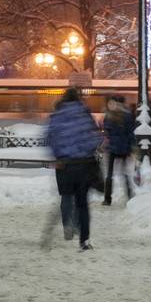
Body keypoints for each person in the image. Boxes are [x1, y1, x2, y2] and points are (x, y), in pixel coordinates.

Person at [46, 88, 102, 250]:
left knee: (66, 196)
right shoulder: (85, 114)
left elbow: (50, 137)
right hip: (84, 163)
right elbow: (94, 138)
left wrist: (57, 155)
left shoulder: (57, 116)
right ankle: (84, 239)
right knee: (82, 202)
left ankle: (67, 226)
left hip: (64, 164)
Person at [102, 94, 136, 205]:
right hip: (124, 147)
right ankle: (130, 196)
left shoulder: (110, 115)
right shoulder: (128, 115)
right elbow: (131, 133)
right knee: (125, 173)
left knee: (109, 174)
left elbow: (107, 130)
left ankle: (107, 199)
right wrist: (131, 147)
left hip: (112, 147)